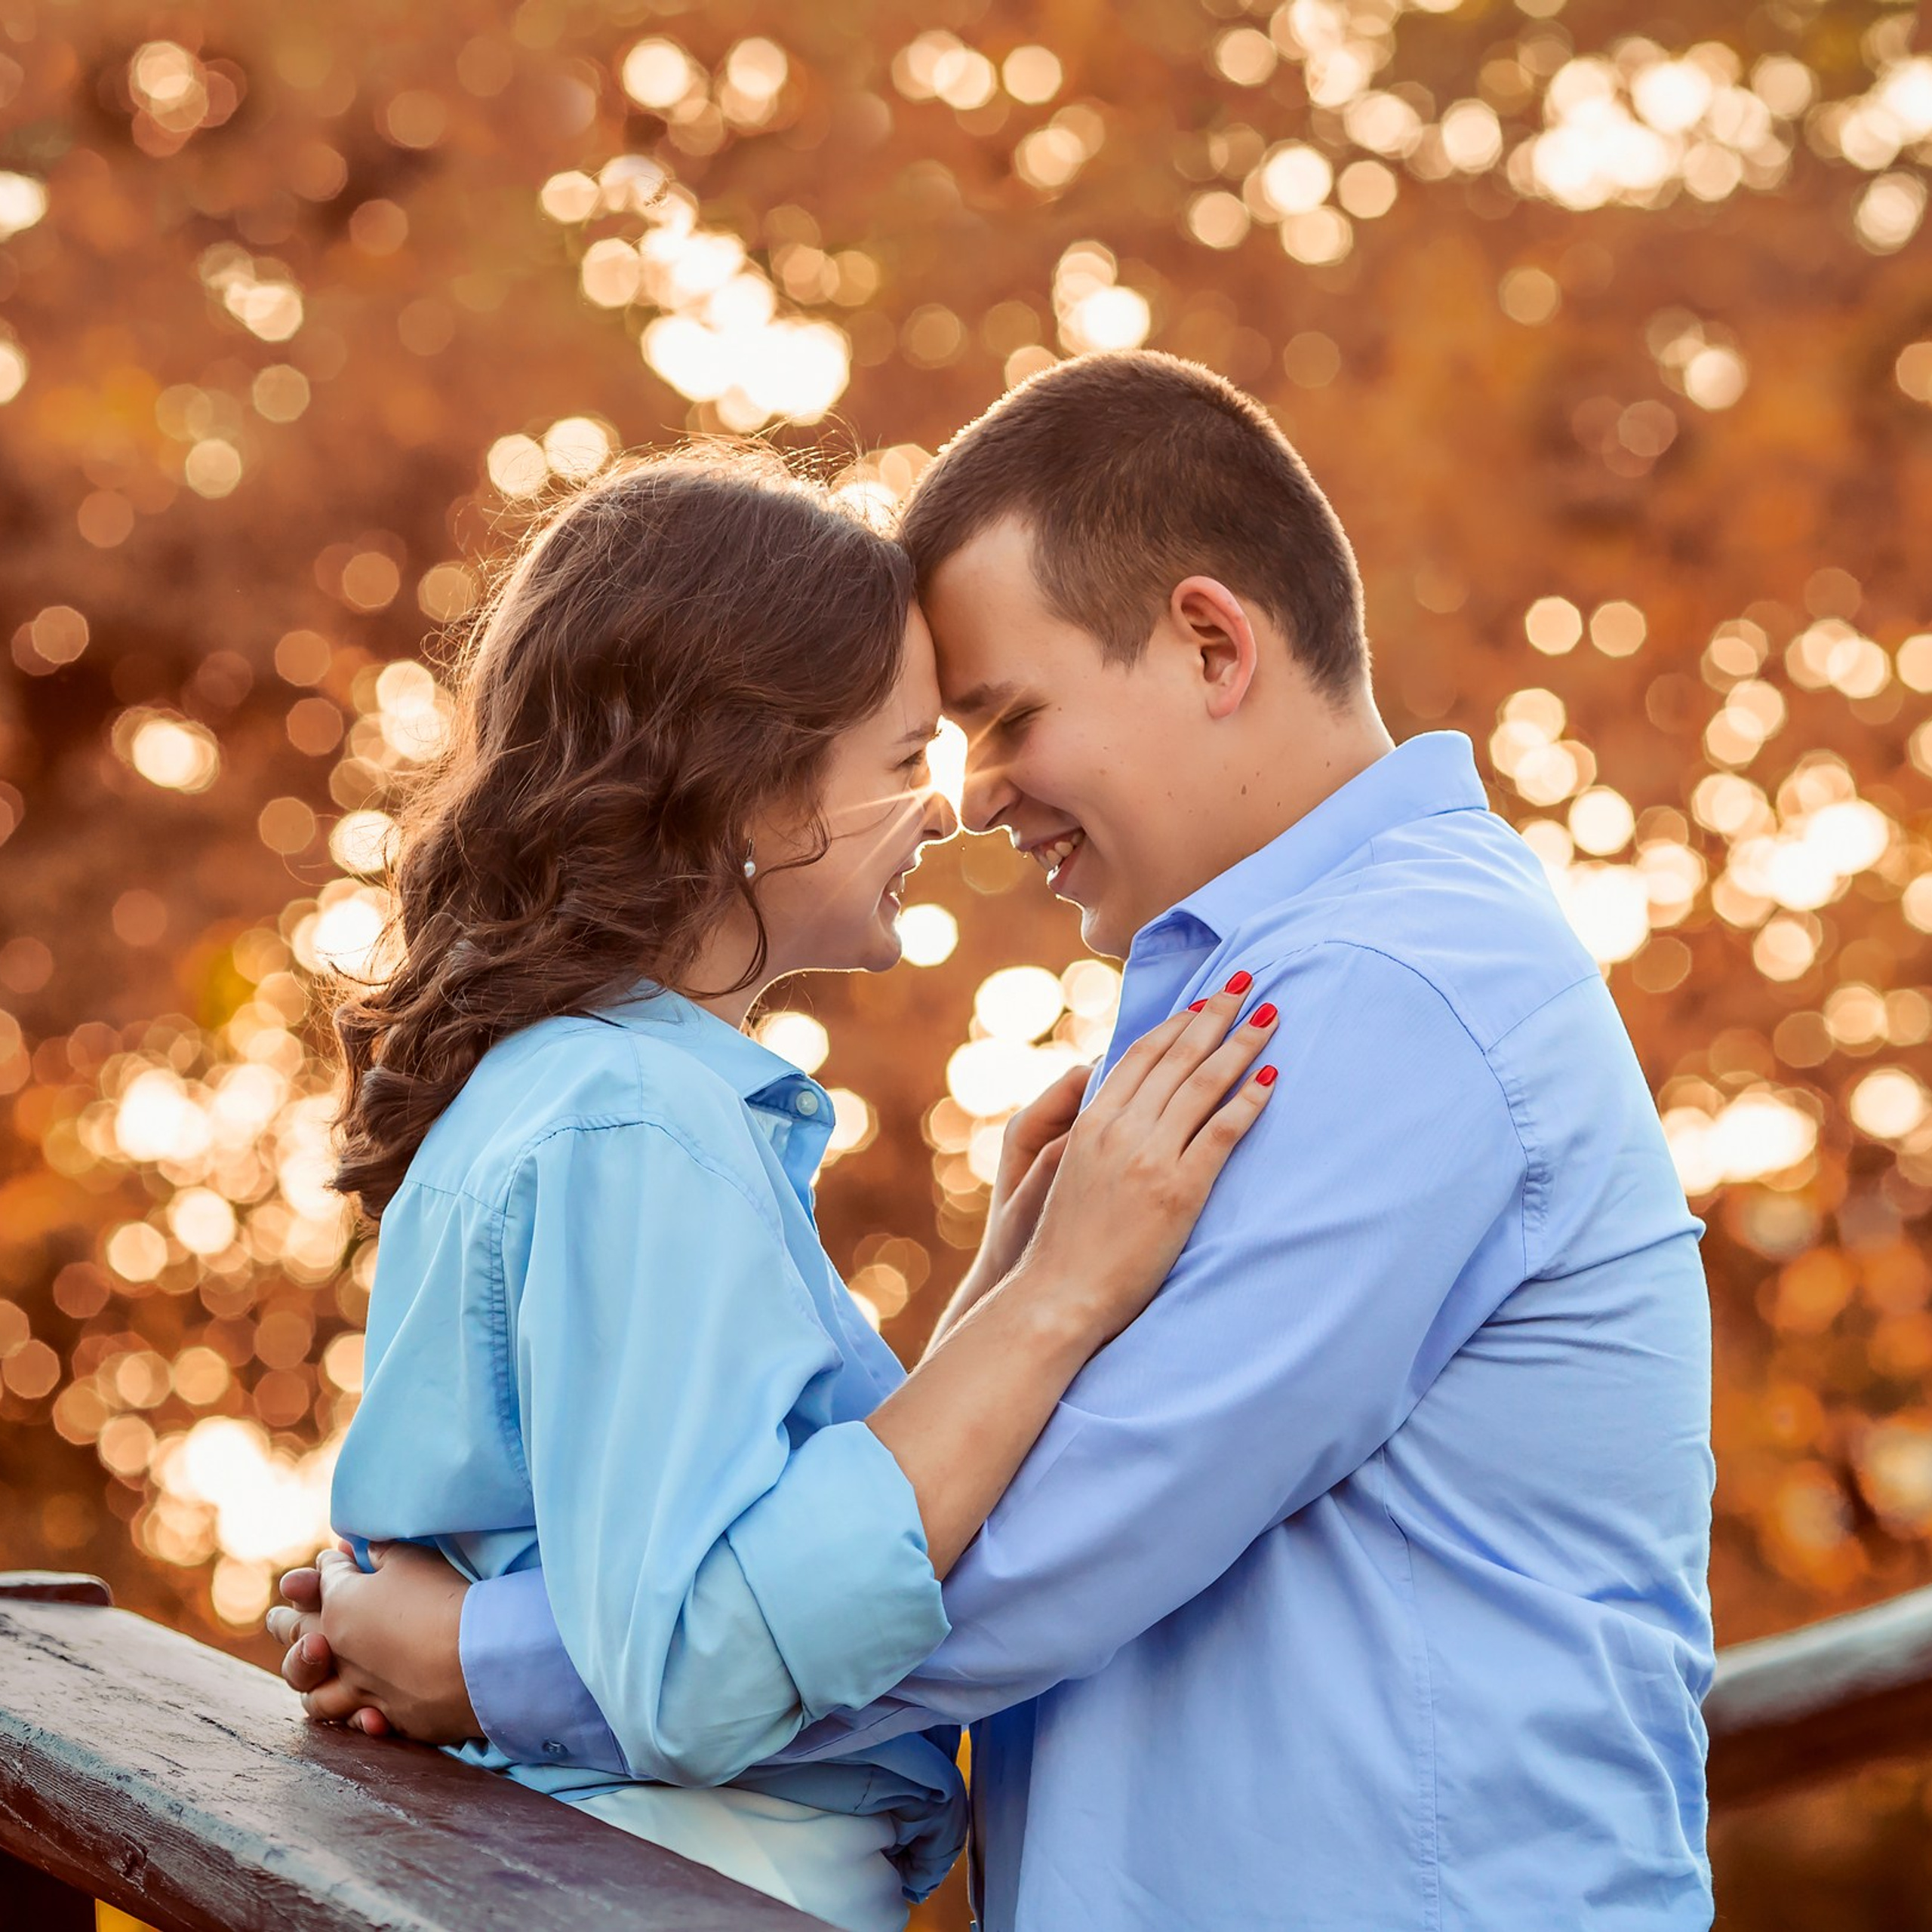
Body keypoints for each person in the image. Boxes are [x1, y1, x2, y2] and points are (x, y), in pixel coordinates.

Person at [278, 354, 1715, 1930]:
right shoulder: (1263, 989)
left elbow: (1040, 1545)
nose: (971, 798)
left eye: (1001, 719)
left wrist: (484, 1652)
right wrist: (1010, 1289)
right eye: (923, 748)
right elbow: (938, 1506)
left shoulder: (1384, 996)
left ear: (1209, 642)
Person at [298, 444, 1278, 1932]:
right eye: (902, 760)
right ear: (749, 791)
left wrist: (1002, 1277)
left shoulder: (588, 1093)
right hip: (674, 1881)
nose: (944, 812)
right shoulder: (636, 1126)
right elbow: (697, 1658)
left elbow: (726, 1525)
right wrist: (1068, 1295)